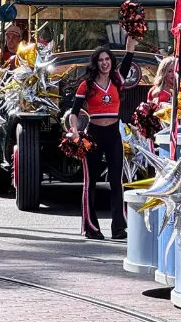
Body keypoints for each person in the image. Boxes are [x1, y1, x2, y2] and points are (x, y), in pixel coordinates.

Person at [68, 38, 135, 240]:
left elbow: (129, 54)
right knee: (90, 182)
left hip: (114, 134)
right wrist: (75, 131)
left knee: (117, 181)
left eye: (107, 59)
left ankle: (119, 228)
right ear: (95, 63)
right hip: (93, 135)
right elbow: (74, 112)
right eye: (101, 60)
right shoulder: (86, 85)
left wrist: (131, 33)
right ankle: (91, 227)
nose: (105, 63)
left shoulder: (117, 80)